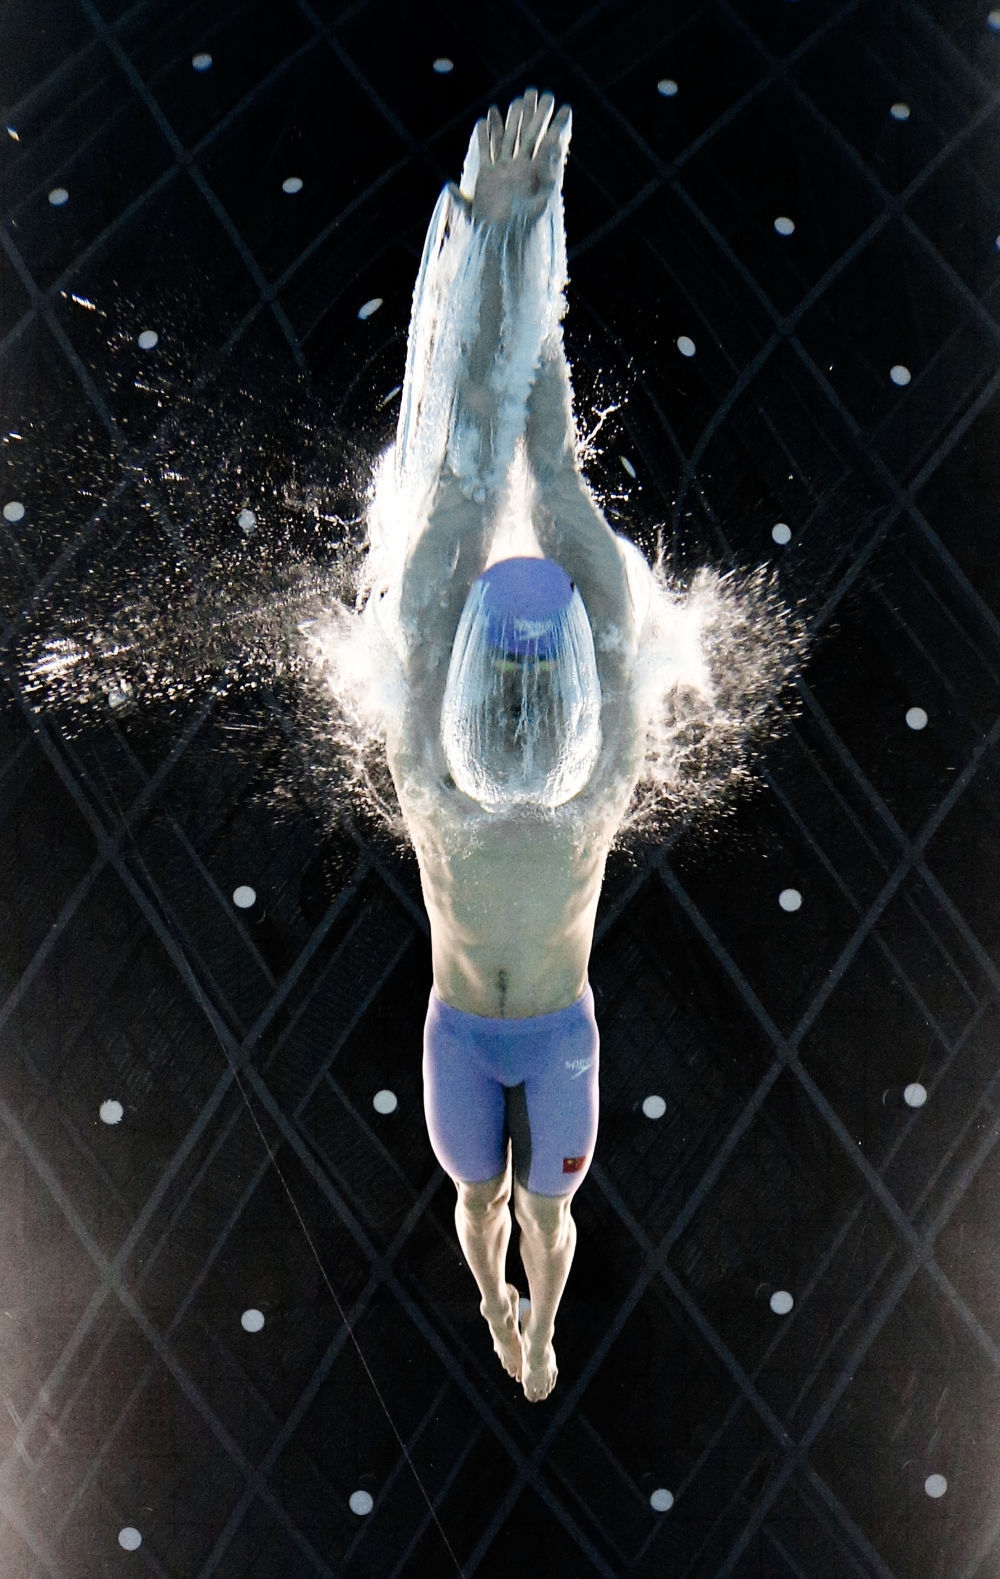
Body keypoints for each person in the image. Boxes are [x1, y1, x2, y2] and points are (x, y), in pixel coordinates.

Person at [378, 90, 651, 1402]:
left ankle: (534, 1328)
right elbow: (502, 458)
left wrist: (506, 231)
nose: (533, 713)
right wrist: (519, 233)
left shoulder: (454, 767)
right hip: (478, 1034)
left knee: (544, 1218)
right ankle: (496, 1302)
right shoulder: (504, 768)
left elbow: (503, 463)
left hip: (537, 1035)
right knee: (482, 1212)